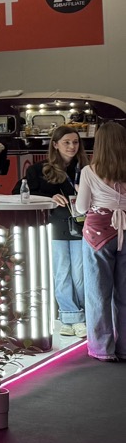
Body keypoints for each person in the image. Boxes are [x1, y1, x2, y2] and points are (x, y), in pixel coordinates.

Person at [23, 127, 87, 338]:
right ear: (55, 144)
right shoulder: (39, 170)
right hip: (56, 226)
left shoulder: (86, 169)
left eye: (75, 142)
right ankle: (69, 315)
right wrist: (48, 199)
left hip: (82, 226)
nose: (71, 146)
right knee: (61, 272)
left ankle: (81, 316)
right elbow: (22, 193)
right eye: (66, 142)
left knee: (80, 274)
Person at [77, 121, 126, 362]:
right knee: (124, 293)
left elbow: (81, 207)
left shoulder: (89, 171)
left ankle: (102, 348)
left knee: (98, 292)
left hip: (98, 234)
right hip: (125, 229)